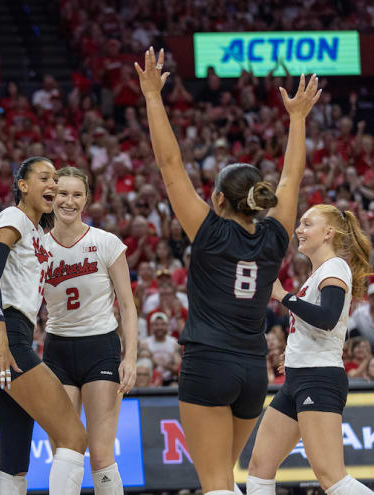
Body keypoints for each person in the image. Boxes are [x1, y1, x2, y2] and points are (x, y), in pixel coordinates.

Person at [135, 48, 320, 494]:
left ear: (218, 200)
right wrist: (297, 120)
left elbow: (169, 165)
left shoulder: (209, 231)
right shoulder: (276, 235)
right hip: (253, 369)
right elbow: (291, 179)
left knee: (216, 485)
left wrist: (153, 98)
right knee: (225, 483)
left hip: (207, 363)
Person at [0, 156, 88, 495]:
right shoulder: (13, 216)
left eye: (56, 180)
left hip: (15, 338)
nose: (53, 185)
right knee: (73, 437)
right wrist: (1, 341)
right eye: (45, 178)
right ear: (23, 185)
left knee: (14, 459)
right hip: (5, 339)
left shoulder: (37, 233)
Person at [248, 204, 374, 494]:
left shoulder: (334, 267)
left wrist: (283, 295)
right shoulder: (320, 272)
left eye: (307, 224)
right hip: (299, 377)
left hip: (318, 379)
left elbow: (328, 318)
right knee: (259, 467)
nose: (299, 230)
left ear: (328, 232)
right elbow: (321, 325)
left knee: (332, 479)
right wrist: (294, 352)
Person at [42, 166, 137, 495]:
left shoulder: (106, 243)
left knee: (100, 455)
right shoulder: (37, 248)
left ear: (87, 199)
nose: (69, 201)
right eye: (63, 194)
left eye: (77, 195)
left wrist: (131, 358)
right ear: (52, 197)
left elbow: (127, 304)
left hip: (101, 350)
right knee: (65, 451)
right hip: (56, 350)